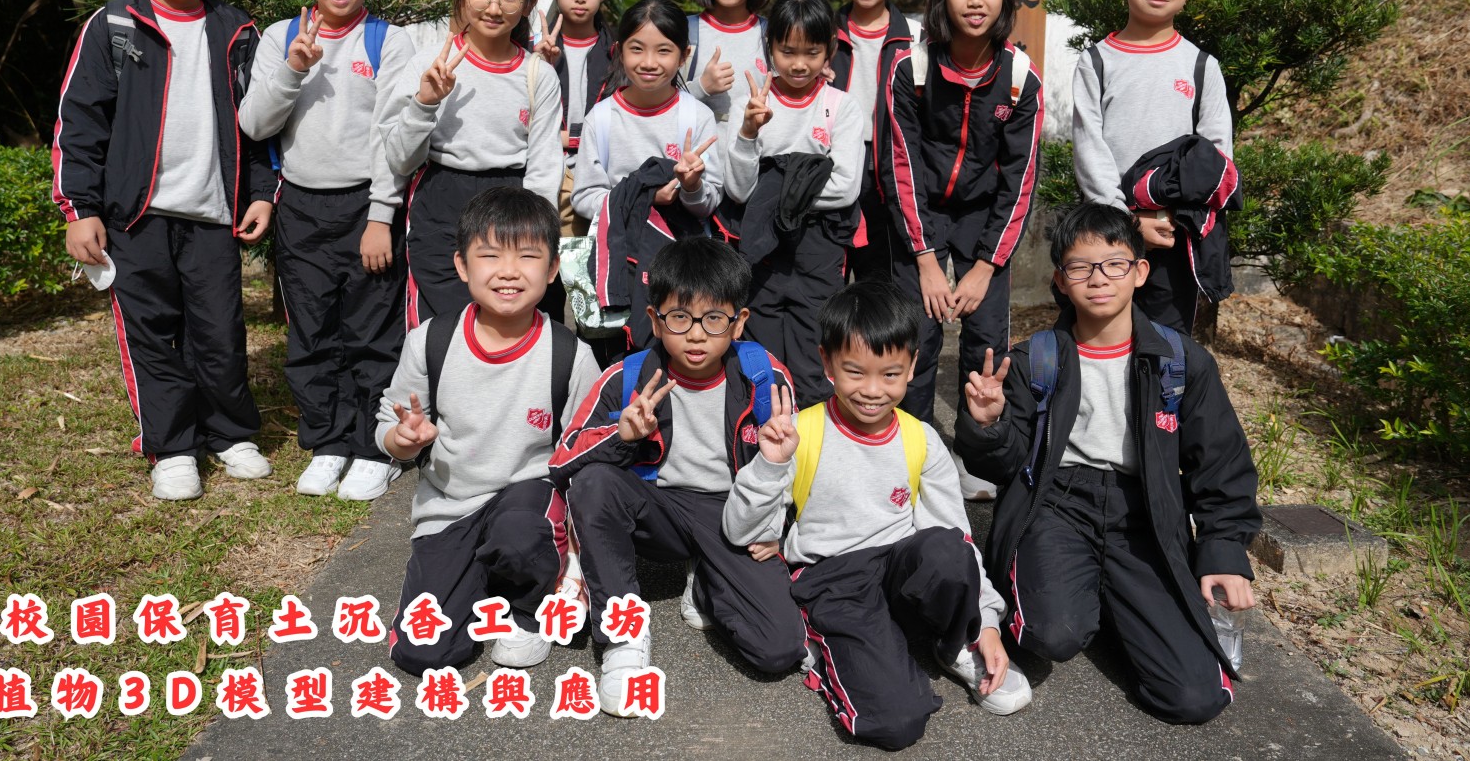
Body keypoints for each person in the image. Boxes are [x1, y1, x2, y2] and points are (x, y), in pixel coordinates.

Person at [955, 202, 1259, 724]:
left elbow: (1221, 465)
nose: (1098, 278)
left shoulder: (1179, 361)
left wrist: (1223, 551)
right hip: (1057, 505)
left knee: (1193, 699)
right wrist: (987, 425)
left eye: (1114, 264)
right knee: (1050, 635)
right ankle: (1090, 598)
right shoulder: (1035, 360)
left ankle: (1119, 601)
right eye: (1080, 267)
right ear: (1060, 279)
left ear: (1139, 271)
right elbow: (1005, 468)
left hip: (1143, 515)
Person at [723, 282, 1031, 749]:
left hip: (899, 570)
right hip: (835, 580)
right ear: (827, 363)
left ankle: (957, 643)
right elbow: (739, 530)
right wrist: (770, 464)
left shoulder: (921, 438)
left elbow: (959, 540)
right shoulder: (799, 432)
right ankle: (830, 648)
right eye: (854, 372)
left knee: (946, 548)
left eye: (890, 374)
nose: (871, 390)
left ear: (912, 366)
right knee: (895, 723)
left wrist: (985, 623)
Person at [53, 0, 275, 502]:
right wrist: (80, 209)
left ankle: (230, 433)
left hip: (212, 212)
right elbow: (80, 122)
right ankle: (173, 447)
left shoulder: (236, 29)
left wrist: (261, 192)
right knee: (150, 332)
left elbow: (260, 124)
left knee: (220, 331)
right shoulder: (115, 26)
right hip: (135, 217)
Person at [549, 237, 804, 717]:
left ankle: (707, 578)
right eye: (680, 318)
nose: (696, 335)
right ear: (655, 320)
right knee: (594, 483)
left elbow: (790, 463)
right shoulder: (628, 377)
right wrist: (622, 435)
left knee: (779, 648)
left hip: (733, 513)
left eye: (714, 319)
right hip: (657, 509)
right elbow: (562, 461)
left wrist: (778, 528)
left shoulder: (765, 378)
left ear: (739, 322)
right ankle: (623, 639)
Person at [377, 186, 601, 675]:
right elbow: (389, 428)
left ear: (553, 268)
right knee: (424, 653)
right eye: (490, 255)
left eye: (527, 256)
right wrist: (403, 440)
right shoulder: (430, 341)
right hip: (449, 508)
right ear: (462, 265)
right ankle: (477, 576)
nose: (508, 271)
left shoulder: (570, 355)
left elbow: (584, 453)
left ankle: (531, 606)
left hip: (527, 503)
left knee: (520, 532)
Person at [238, 0, 414, 501]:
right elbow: (254, 123)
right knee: (311, 331)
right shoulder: (280, 37)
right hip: (301, 208)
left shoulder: (388, 41)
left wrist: (381, 217)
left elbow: (394, 137)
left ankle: (372, 447)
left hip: (366, 206)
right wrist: (294, 69)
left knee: (371, 331)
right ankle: (328, 440)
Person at [879, 0, 1044, 497]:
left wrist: (985, 267)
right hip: (922, 215)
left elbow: (1020, 180)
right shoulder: (912, 67)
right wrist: (926, 260)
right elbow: (900, 165)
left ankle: (977, 450)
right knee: (916, 336)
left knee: (986, 338)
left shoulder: (1020, 77)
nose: (976, 0)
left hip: (984, 216)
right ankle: (913, 450)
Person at [378, 0, 563, 328]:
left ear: (528, 4)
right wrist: (425, 102)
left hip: (513, 206)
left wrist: (537, 237)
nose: (493, 8)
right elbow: (399, 158)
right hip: (441, 202)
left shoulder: (539, 75)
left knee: (506, 324)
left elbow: (544, 166)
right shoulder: (428, 64)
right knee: (440, 327)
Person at [1071, 0, 1233, 334]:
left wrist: (1173, 216)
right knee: (1098, 339)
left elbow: (1216, 157)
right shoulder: (1097, 62)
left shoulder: (1202, 66)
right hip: (1106, 234)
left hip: (1173, 235)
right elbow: (1089, 149)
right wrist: (1126, 222)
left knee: (1166, 345)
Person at [723, 0, 865, 404]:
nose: (799, 64)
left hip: (818, 250)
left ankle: (814, 439)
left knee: (813, 357)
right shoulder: (750, 104)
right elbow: (738, 189)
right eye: (787, 51)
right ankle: (760, 434)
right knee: (761, 360)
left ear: (830, 50)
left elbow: (845, 187)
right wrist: (748, 132)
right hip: (761, 252)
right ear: (770, 47)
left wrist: (772, 187)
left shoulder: (841, 107)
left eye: (812, 52)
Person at [570, 0, 723, 356]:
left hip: (679, 269)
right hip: (616, 263)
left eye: (664, 51)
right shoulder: (602, 118)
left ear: (684, 56)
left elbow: (710, 201)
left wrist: (692, 186)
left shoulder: (696, 117)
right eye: (637, 49)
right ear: (619, 51)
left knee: (676, 354)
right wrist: (646, 197)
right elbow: (584, 197)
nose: (649, 62)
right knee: (612, 354)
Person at [830, 0, 922, 283]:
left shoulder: (916, 36)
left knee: (880, 279)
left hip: (890, 166)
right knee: (829, 275)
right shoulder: (824, 32)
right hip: (834, 163)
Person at [530, 0, 618, 238]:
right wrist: (538, 66)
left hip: (602, 179)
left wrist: (570, 138)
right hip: (546, 176)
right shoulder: (529, 52)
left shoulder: (620, 52)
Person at [682, 0, 772, 122]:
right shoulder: (683, 32)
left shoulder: (771, 36)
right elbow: (659, 99)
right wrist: (701, 87)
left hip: (757, 141)